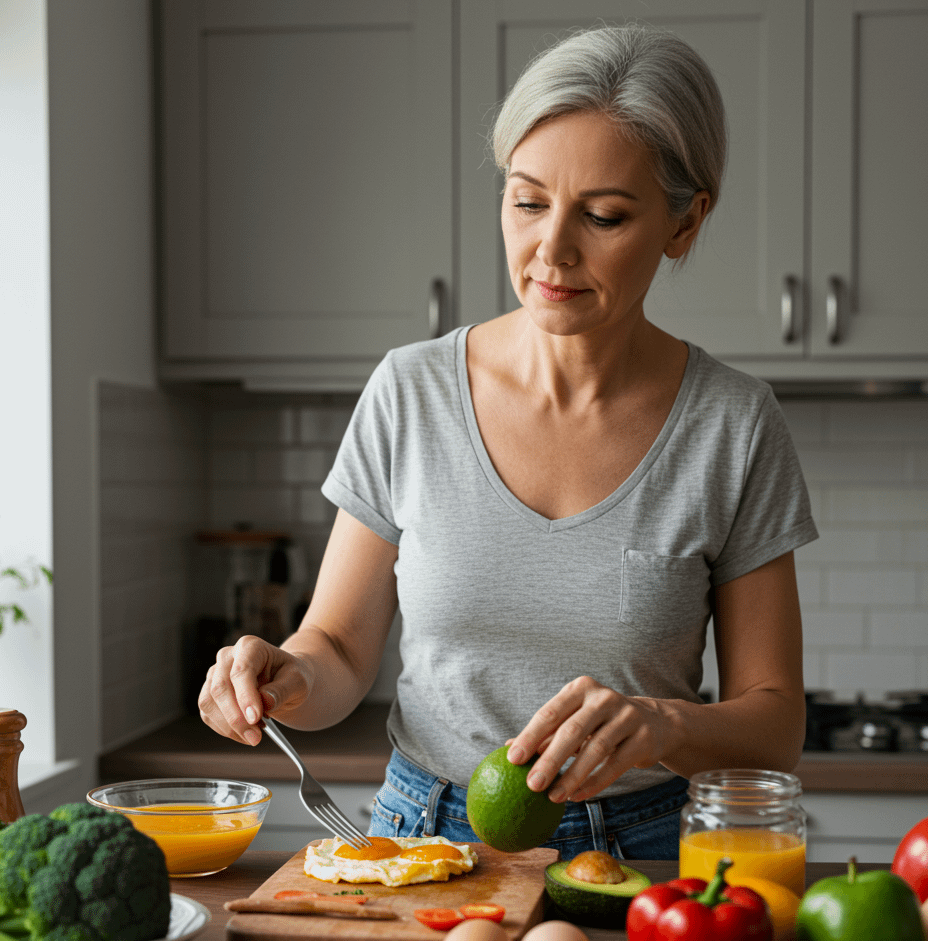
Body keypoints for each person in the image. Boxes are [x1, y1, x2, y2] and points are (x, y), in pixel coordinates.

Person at [197, 24, 818, 860]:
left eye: (602, 215)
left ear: (683, 223)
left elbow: (774, 722)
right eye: (527, 202)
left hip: (644, 855)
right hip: (424, 841)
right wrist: (287, 675)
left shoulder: (734, 426)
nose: (550, 250)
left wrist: (660, 724)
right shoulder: (411, 391)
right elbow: (339, 648)